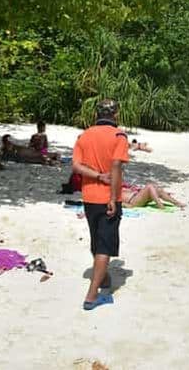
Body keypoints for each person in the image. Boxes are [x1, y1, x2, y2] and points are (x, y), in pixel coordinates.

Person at [72, 99, 130, 311]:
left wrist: (96, 175)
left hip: (89, 197)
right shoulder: (119, 136)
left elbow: (76, 166)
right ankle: (92, 295)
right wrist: (113, 198)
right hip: (108, 198)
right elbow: (115, 166)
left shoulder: (84, 135)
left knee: (96, 240)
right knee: (105, 245)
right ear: (116, 114)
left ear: (96, 114)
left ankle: (103, 277)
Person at [121, 182, 185, 209]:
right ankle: (160, 205)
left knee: (158, 190)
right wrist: (130, 206)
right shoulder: (112, 193)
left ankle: (176, 203)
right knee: (149, 186)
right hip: (134, 201)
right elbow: (120, 204)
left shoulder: (119, 186)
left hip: (138, 197)